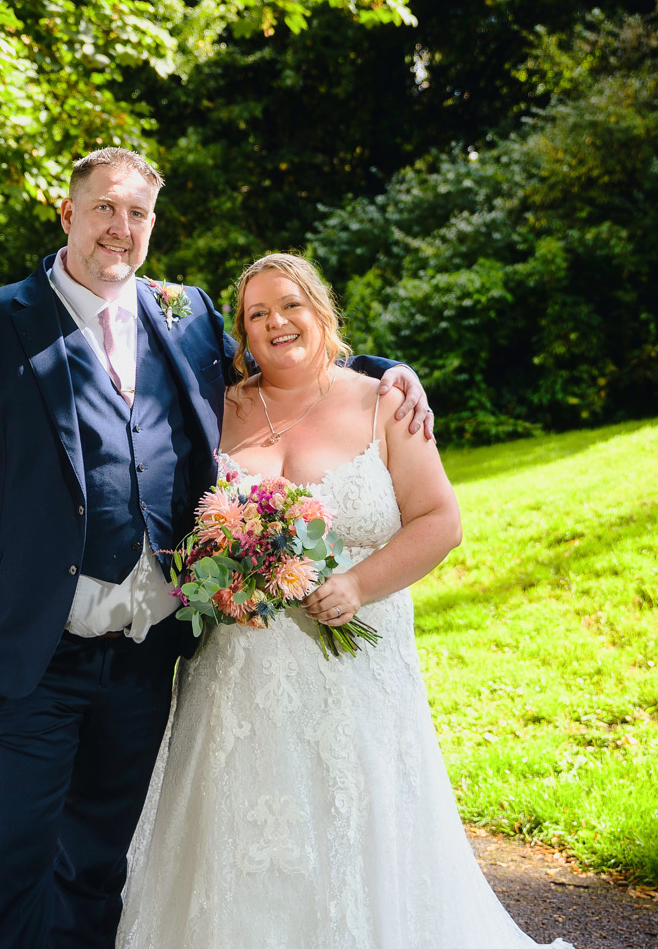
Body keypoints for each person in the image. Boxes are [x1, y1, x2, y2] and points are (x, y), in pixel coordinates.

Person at [0, 148, 433, 949]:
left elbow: (288, 359)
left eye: (138, 214)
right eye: (105, 209)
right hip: (23, 650)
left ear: (152, 224)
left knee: (96, 867)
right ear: (68, 215)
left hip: (145, 659)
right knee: (14, 864)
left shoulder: (183, 317)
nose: (121, 228)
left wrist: (391, 371)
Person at [115, 253, 570, 948]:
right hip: (238, 677)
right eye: (257, 314)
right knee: (239, 839)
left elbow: (440, 521)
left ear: (321, 310)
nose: (276, 322)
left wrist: (358, 583)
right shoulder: (216, 411)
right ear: (240, 332)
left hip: (355, 677)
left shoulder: (384, 400)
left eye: (290, 304)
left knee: (354, 828)